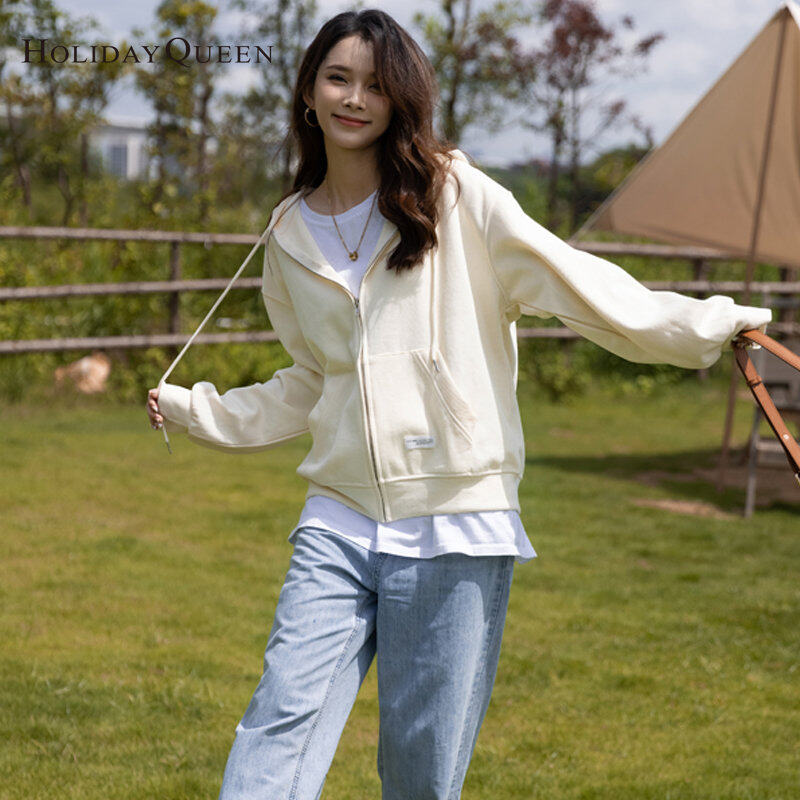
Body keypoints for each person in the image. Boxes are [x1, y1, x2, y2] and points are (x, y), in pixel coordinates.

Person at [146, 9, 772, 799]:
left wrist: (707, 326)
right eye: (337, 78)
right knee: (277, 725)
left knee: (421, 776)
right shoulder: (288, 234)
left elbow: (573, 282)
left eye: (377, 85)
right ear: (308, 91)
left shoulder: (456, 197)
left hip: (457, 523)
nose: (355, 99)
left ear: (401, 99)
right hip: (338, 517)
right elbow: (311, 379)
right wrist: (196, 410)